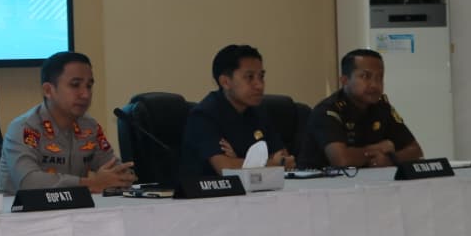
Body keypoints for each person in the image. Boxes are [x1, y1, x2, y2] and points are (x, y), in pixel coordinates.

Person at [0, 51, 136, 195]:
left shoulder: (90, 127)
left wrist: (122, 176)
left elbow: (115, 168)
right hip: (20, 208)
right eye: (75, 85)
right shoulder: (25, 128)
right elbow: (28, 182)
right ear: (48, 90)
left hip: (74, 207)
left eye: (89, 86)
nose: (86, 94)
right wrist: (92, 184)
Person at [179, 44, 294, 180]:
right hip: (210, 192)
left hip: (255, 189)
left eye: (261, 76)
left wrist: (240, 161)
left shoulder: (258, 110)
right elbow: (226, 168)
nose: (259, 85)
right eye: (250, 77)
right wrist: (272, 164)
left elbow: (285, 159)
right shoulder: (204, 115)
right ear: (225, 82)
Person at [298, 49, 423, 168]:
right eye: (365, 76)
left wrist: (389, 159)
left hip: (365, 178)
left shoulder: (381, 106)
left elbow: (416, 151)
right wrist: (379, 148)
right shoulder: (328, 110)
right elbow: (341, 160)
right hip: (319, 180)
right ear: (345, 80)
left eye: (379, 77)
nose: (374, 85)